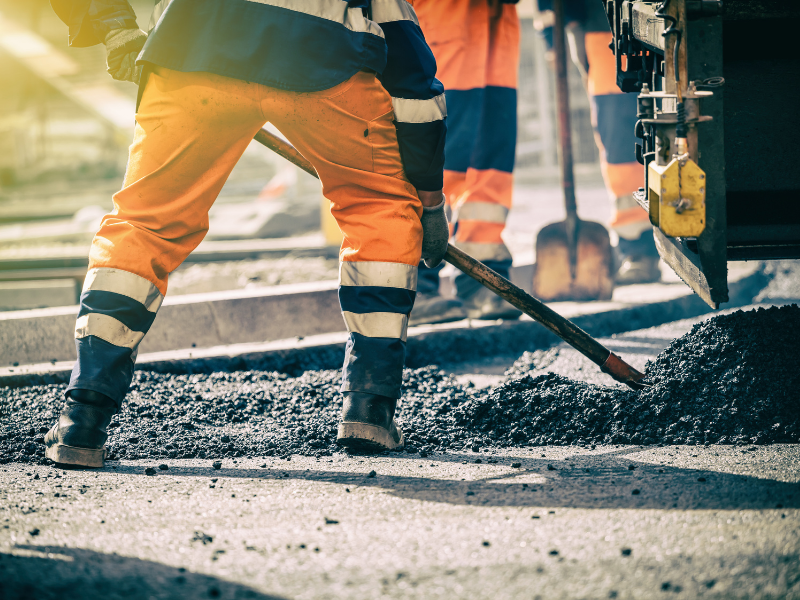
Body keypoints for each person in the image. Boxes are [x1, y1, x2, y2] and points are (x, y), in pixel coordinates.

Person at [44, 0, 448, 466]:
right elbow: (411, 74)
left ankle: (84, 415)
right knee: (379, 210)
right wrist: (428, 196)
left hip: (195, 44)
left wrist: (111, 27)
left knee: (145, 222)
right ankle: (369, 409)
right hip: (323, 55)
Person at [409, 0, 523, 325]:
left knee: (491, 157)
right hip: (440, 15)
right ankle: (412, 286)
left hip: (495, 17)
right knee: (437, 146)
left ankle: (482, 280)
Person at [536, 0, 661, 284]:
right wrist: (557, 34)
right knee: (622, 144)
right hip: (605, 28)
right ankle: (639, 247)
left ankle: (676, 242)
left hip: (670, 22)